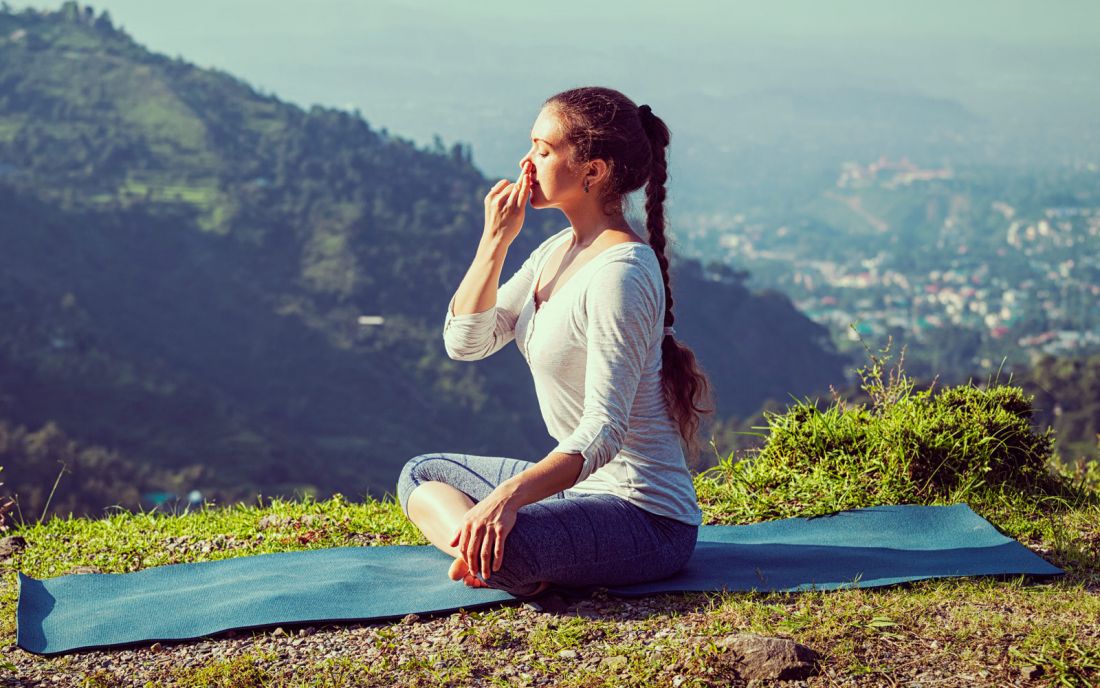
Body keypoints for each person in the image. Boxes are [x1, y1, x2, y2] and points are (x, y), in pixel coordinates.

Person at [397, 86, 713, 598]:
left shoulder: (621, 275)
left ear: (593, 172)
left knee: (508, 538)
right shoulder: (555, 251)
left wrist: (508, 498)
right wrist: (494, 242)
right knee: (422, 474)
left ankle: (502, 559)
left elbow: (603, 430)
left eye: (544, 151)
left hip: (646, 519)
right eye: (531, 146)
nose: (527, 162)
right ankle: (491, 556)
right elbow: (466, 342)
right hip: (581, 493)